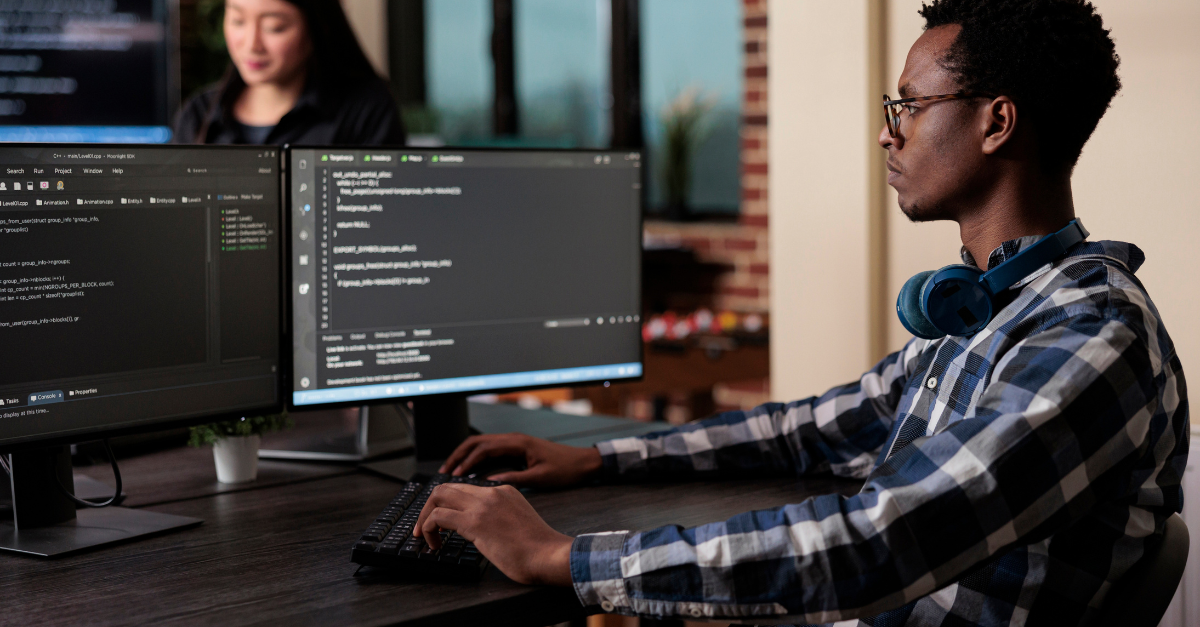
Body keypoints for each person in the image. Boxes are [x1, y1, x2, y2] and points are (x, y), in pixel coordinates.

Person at [411, 1, 1189, 625]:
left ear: (996, 122)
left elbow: (879, 542)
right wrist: (601, 458)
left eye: (910, 105)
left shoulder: (1090, 336)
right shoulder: (989, 306)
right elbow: (811, 426)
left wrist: (565, 557)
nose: (888, 131)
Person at [173, 0, 405, 145]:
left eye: (275, 27)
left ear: (315, 30)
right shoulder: (198, 114)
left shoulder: (365, 112)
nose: (252, 45)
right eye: (237, 20)